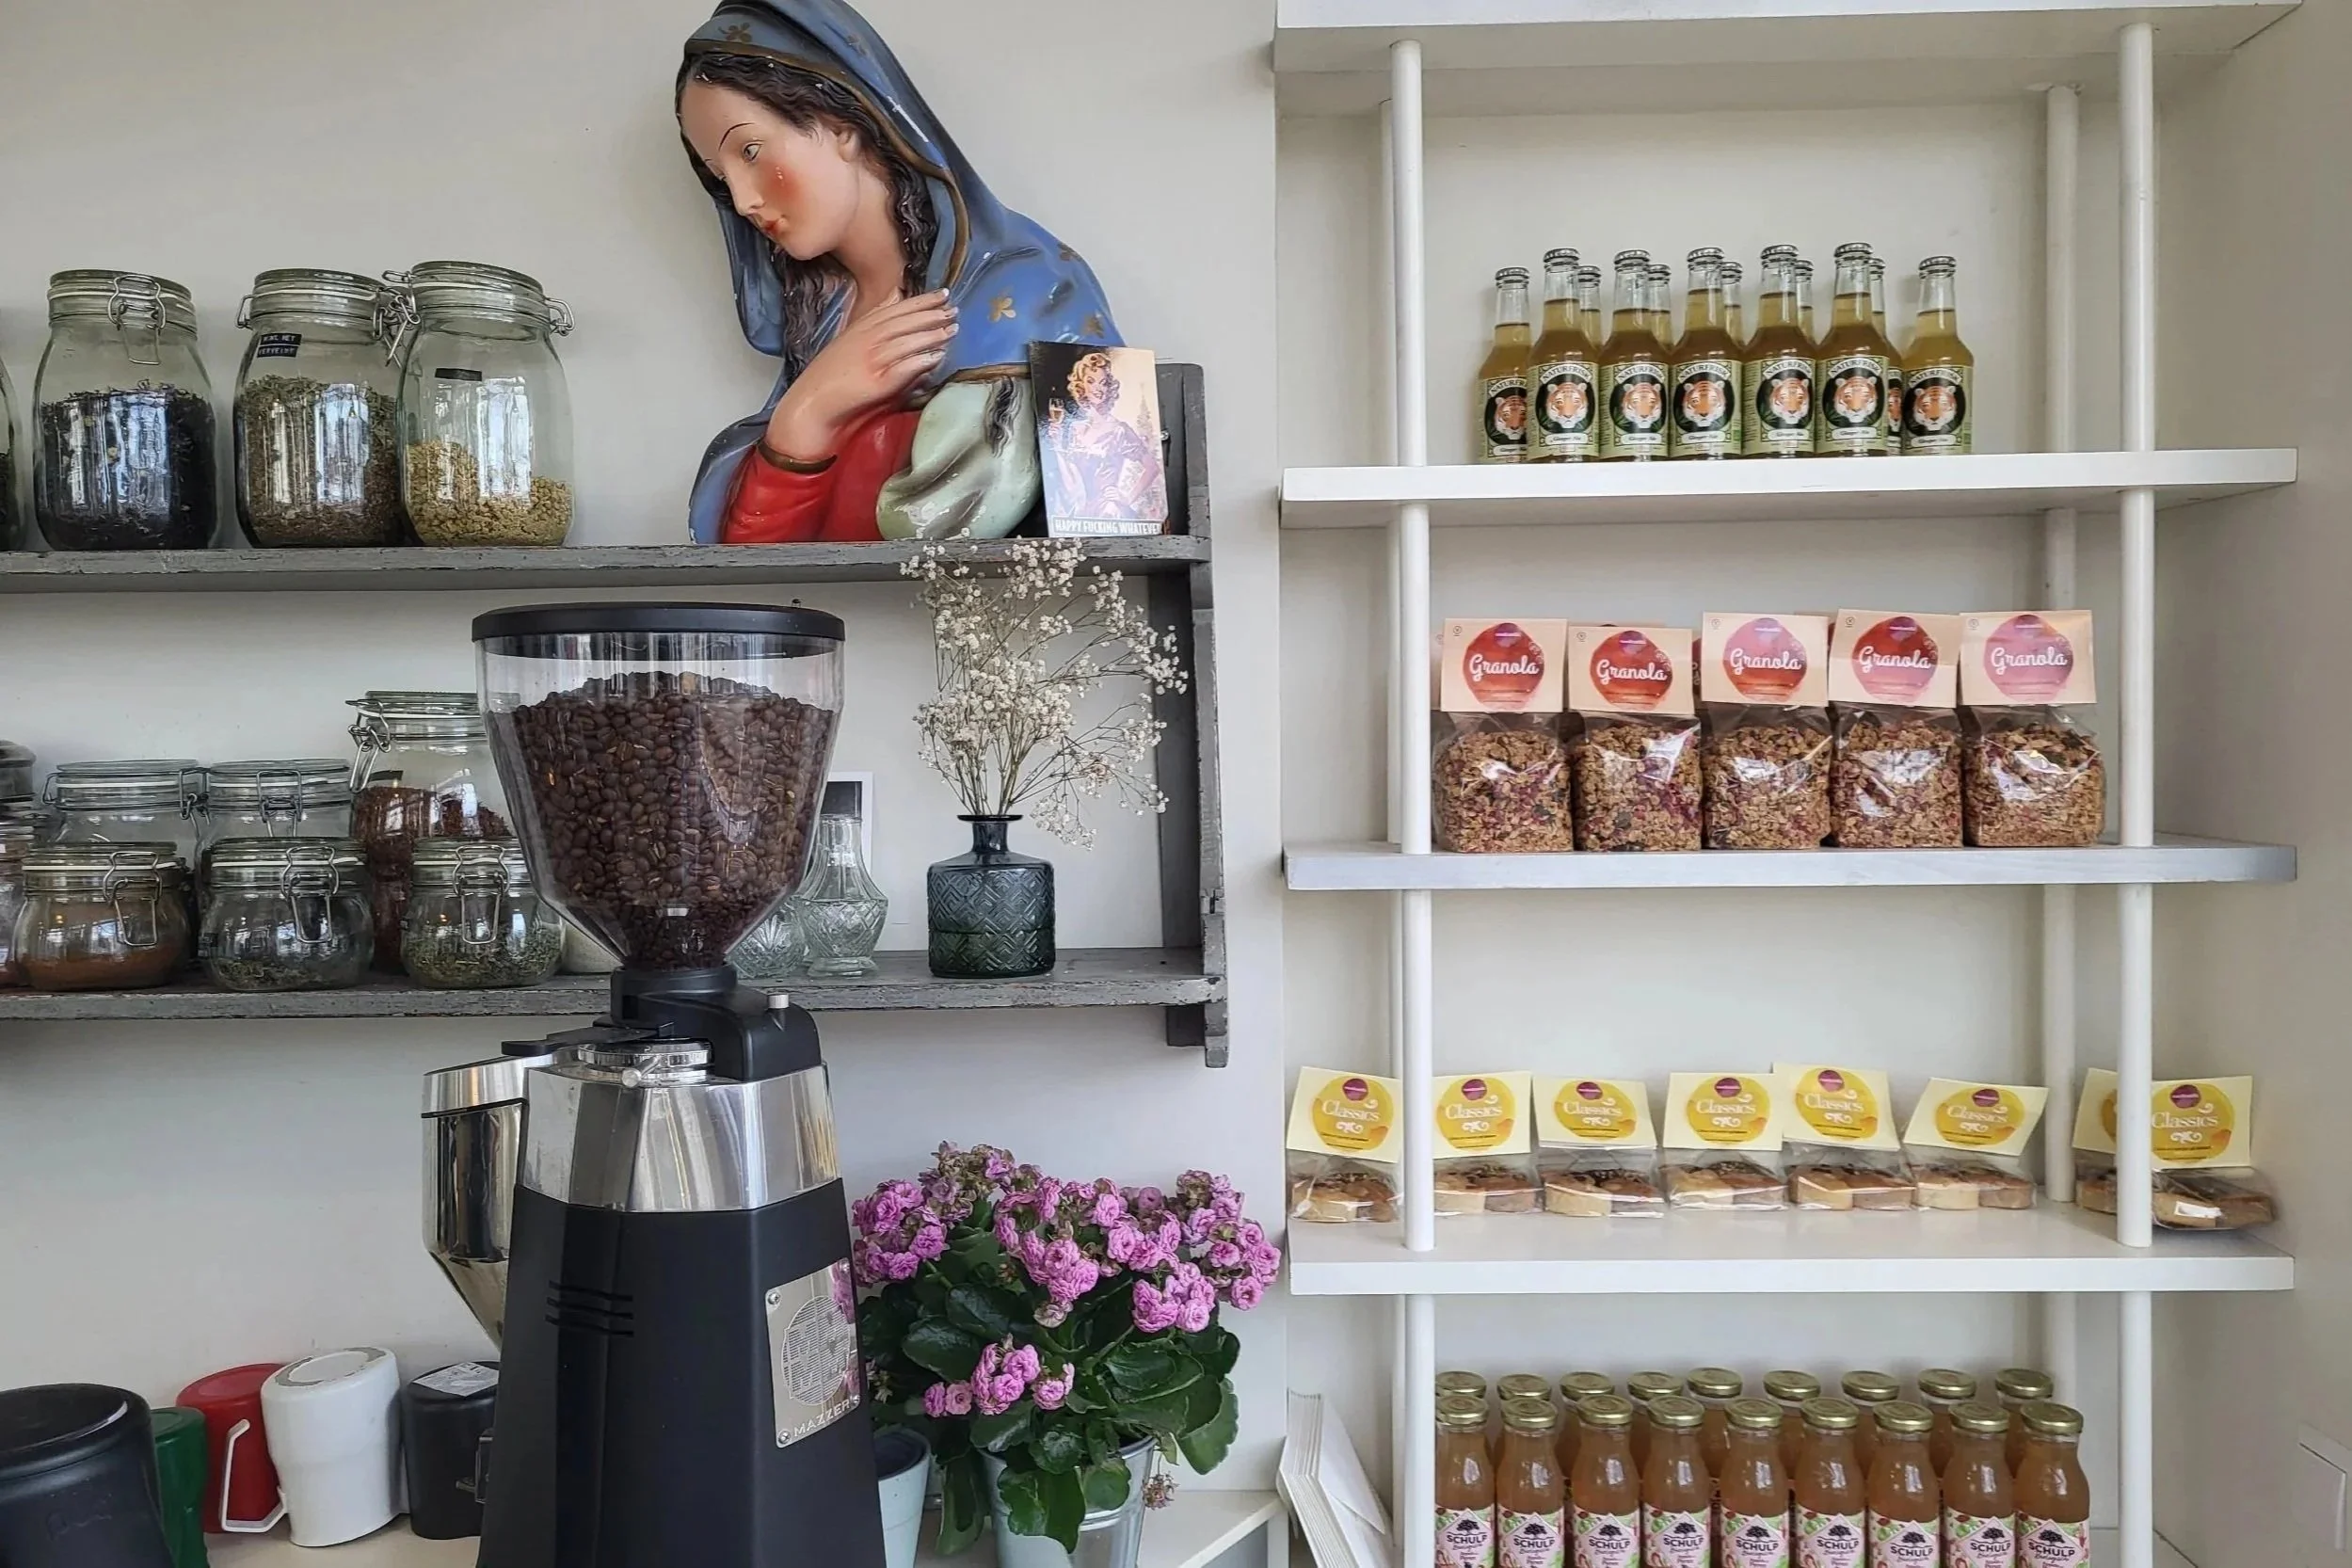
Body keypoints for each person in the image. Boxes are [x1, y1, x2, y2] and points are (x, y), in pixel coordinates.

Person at [677, 0, 1119, 544]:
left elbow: (949, 525)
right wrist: (806, 414)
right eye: (720, 177)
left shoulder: (1031, 290)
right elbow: (751, 556)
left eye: (750, 150)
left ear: (843, 123)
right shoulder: (821, 322)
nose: (743, 200)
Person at [1041, 350, 1161, 523]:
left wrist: (1126, 498)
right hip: (1078, 512)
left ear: (1109, 387)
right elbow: (1069, 481)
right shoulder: (1075, 428)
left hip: (1108, 512)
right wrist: (1056, 443)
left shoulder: (1119, 429)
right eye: (1091, 381)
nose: (1098, 388)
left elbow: (1152, 468)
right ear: (1081, 386)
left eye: (1103, 383)